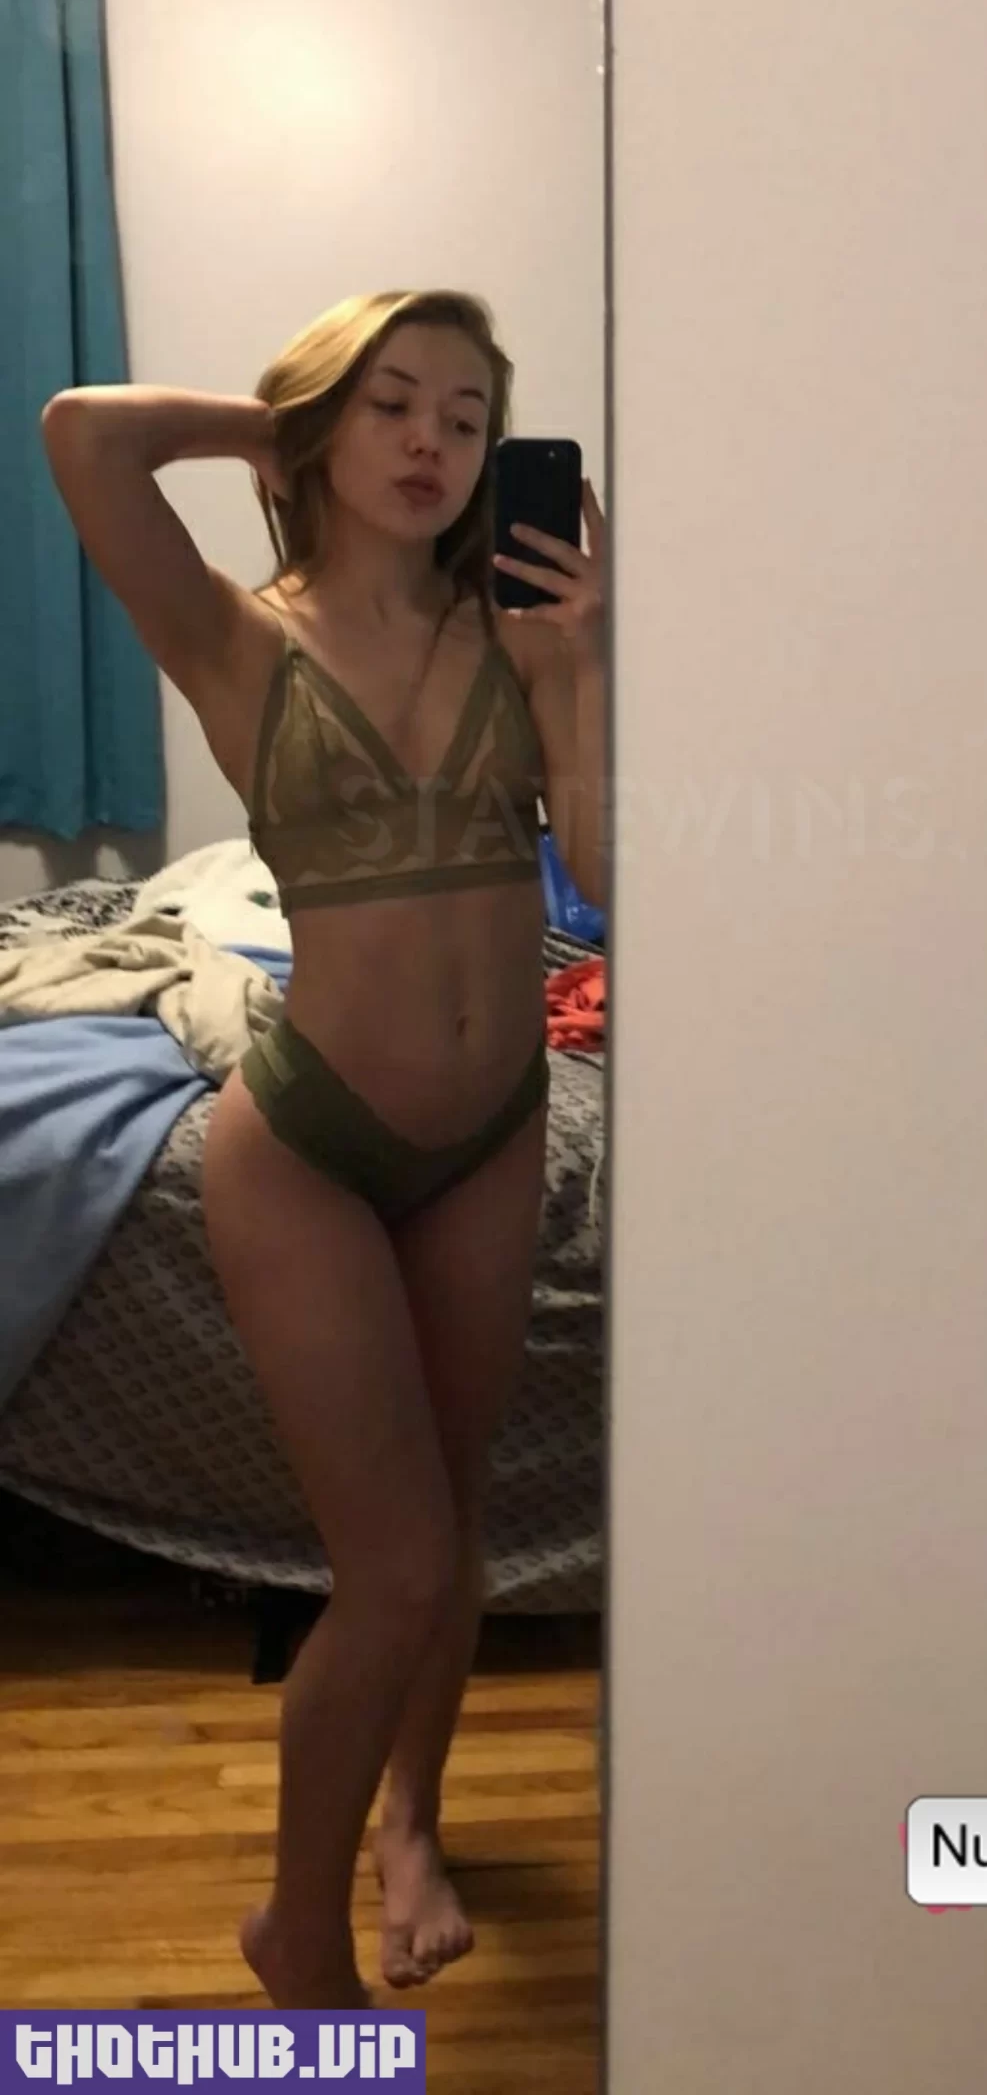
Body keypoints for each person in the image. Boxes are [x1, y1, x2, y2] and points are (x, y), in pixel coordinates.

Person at [41, 289, 608, 2010]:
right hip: (310, 1147)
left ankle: (411, 1827)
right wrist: (278, 426)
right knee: (401, 1567)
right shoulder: (234, 637)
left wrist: (574, 674)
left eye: (466, 416)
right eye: (392, 405)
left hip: (493, 1133)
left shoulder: (515, 636)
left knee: (452, 1532)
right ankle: (296, 1930)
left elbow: (607, 878)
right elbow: (83, 434)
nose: (432, 442)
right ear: (325, 428)